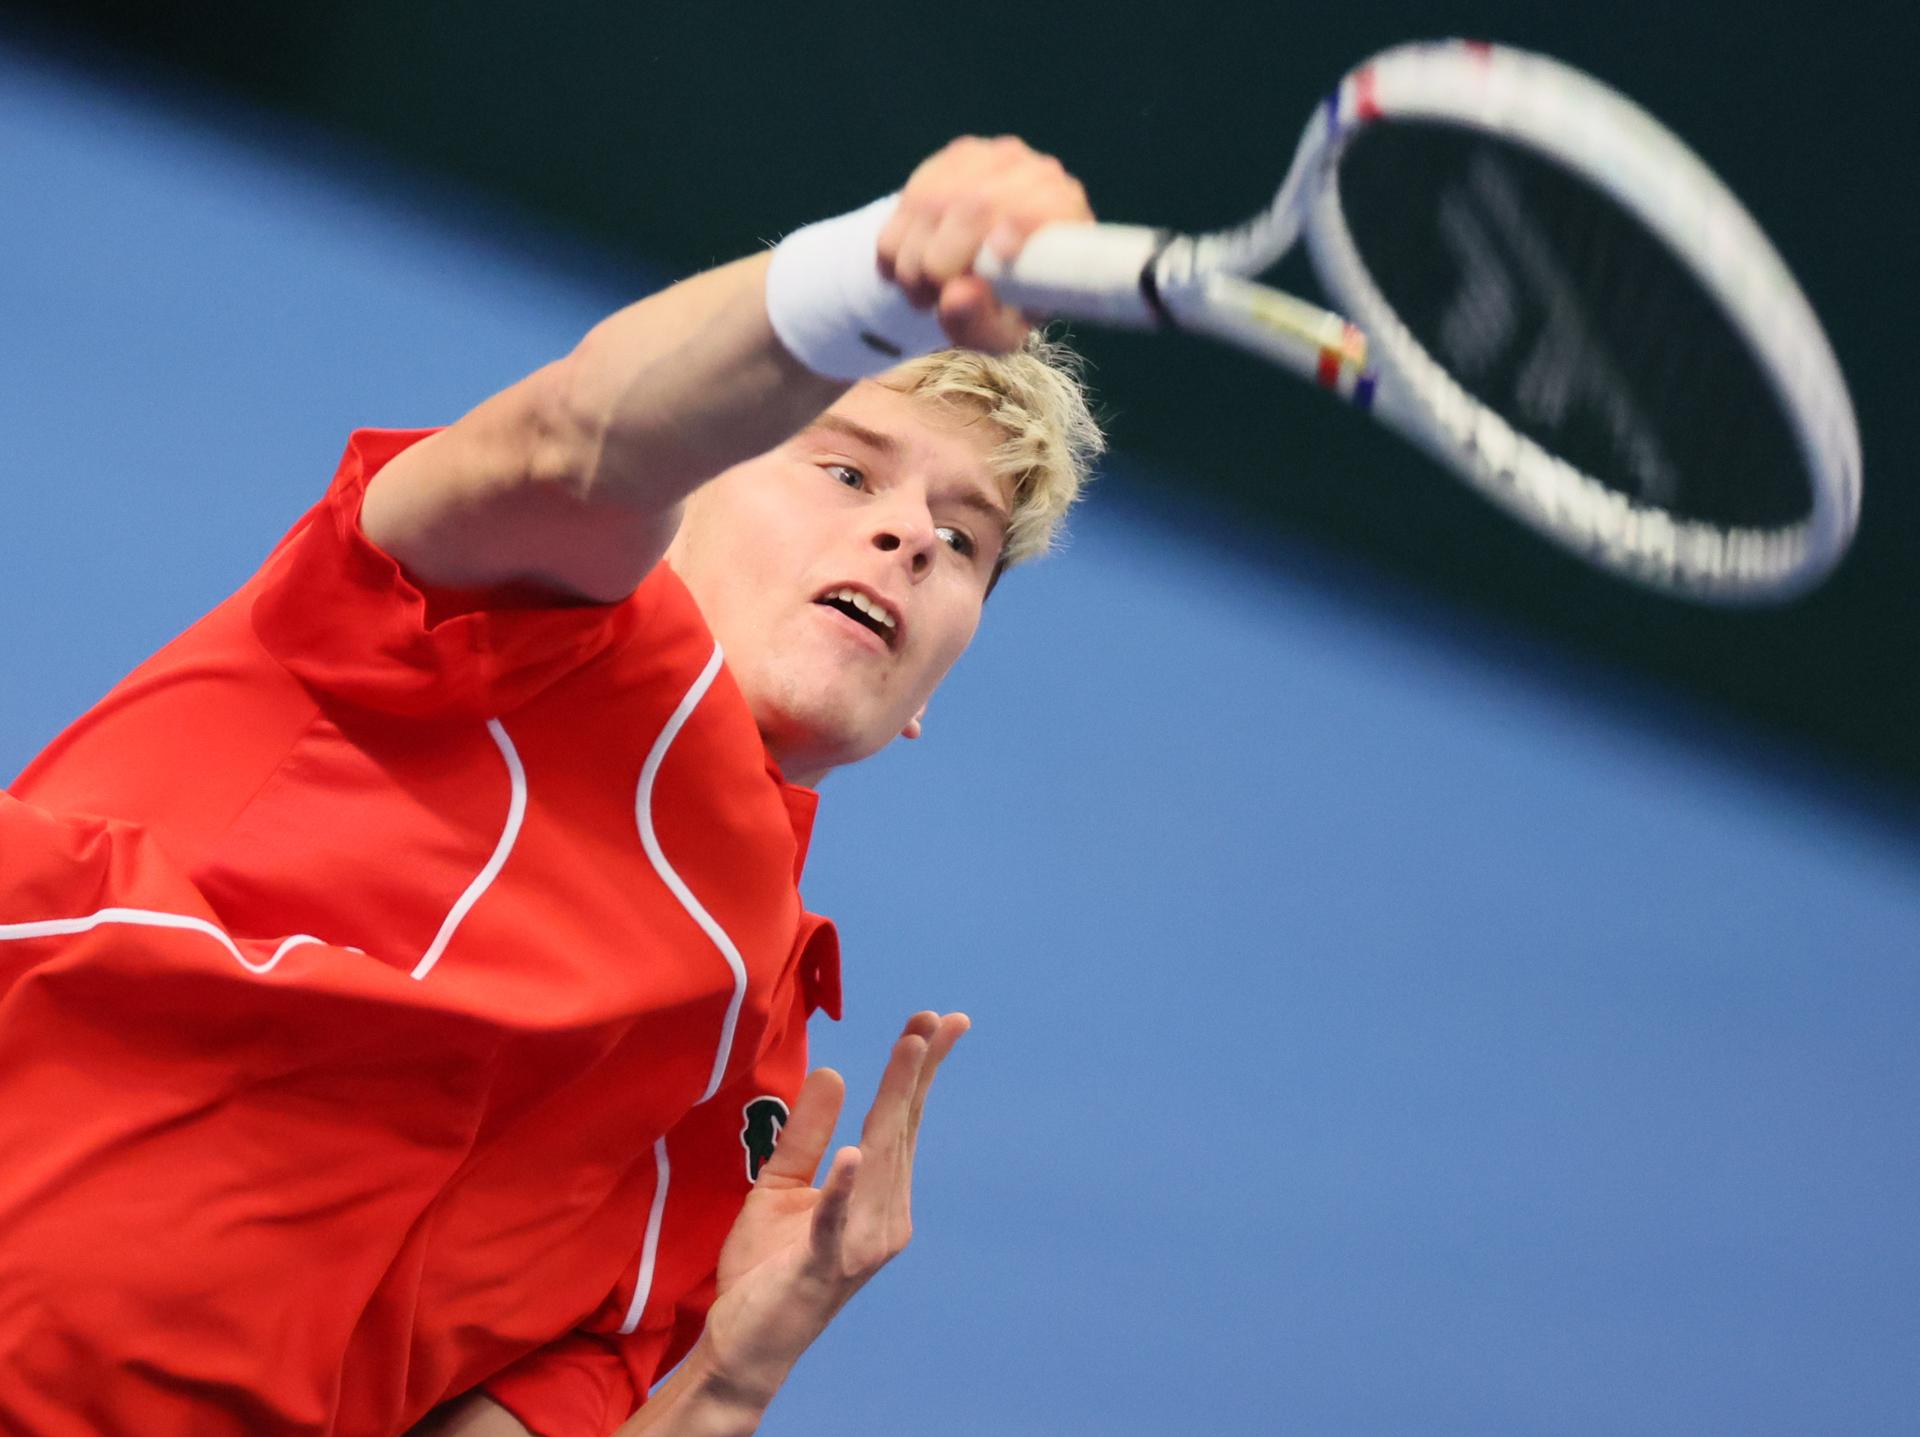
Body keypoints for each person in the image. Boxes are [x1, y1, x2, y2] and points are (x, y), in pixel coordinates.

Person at [0, 136, 1102, 1437]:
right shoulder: (488, 619)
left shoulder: (756, 1103)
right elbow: (577, 435)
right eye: (846, 470)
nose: (910, 534)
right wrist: (866, 280)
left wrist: (720, 1386)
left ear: (927, 700)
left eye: (963, 540)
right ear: (683, 492)